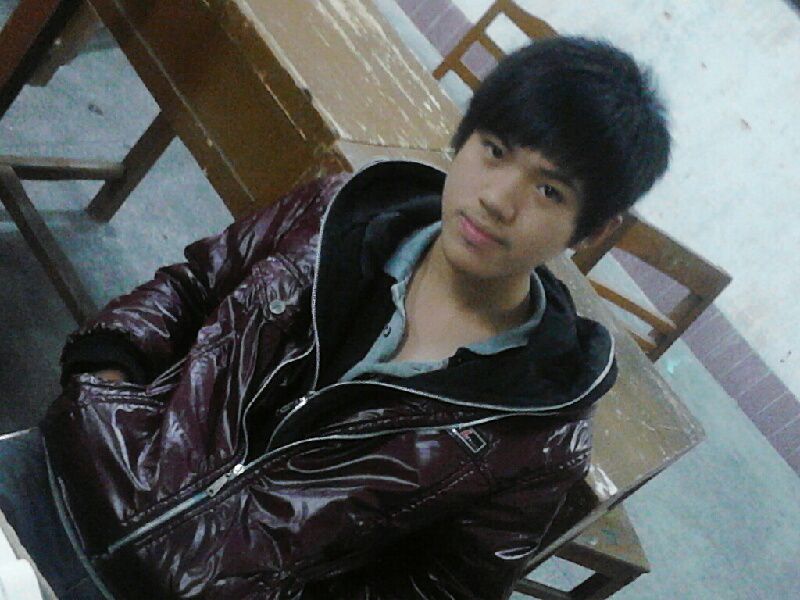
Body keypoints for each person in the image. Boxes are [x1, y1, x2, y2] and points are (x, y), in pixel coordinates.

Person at [4, 36, 670, 599]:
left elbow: (434, 590)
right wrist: (104, 386)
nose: (498, 199)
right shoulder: (336, 215)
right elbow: (193, 285)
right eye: (494, 150)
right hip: (60, 479)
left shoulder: (539, 433)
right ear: (465, 135)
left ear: (593, 227)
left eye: (549, 190)